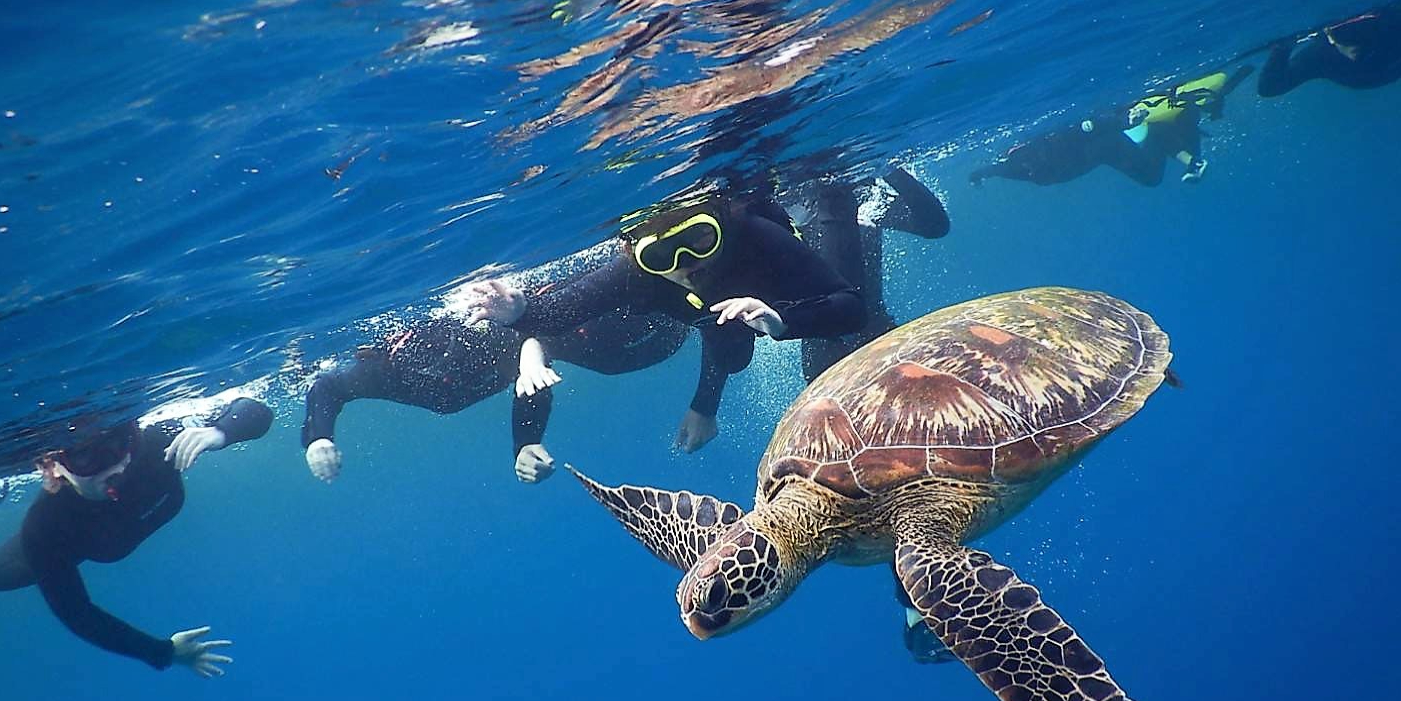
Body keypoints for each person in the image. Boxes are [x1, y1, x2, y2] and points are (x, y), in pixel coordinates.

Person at [469, 191, 866, 453]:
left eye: (697, 240)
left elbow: (850, 309)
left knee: (841, 342)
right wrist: (517, 313)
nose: (684, 264)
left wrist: (781, 321)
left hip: (791, 285)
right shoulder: (635, 274)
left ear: (720, 225)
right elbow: (558, 314)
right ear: (638, 257)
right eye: (660, 255)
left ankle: (857, 207)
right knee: (732, 355)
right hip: (725, 326)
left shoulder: (754, 236)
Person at [0, 397, 273, 674]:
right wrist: (163, 652)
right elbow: (77, 614)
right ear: (52, 467)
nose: (113, 463)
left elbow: (255, 410)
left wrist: (219, 433)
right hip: (38, 556)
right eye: (83, 456)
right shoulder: (46, 528)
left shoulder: (156, 444)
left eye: (118, 442)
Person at [301, 289, 688, 485]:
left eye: (446, 349)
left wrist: (527, 440)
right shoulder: (384, 371)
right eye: (426, 359)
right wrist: (319, 438)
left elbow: (533, 372)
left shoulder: (483, 337)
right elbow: (326, 387)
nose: (442, 363)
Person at [783, 167, 951, 381]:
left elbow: (934, 226)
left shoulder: (864, 200)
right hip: (833, 349)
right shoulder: (790, 216)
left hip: (872, 338)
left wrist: (889, 169)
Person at [970, 69, 1251, 188]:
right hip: (1095, 147)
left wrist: (1122, 122)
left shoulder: (1035, 156)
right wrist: (981, 174)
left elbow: (1082, 130)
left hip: (1096, 145)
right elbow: (1000, 170)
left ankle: (1191, 151)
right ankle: (1191, 153)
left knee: (1144, 163)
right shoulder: (1026, 165)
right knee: (1143, 150)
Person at [1257, 0, 1401, 97]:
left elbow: (1269, 88)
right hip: (1385, 68)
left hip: (1377, 66)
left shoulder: (1323, 56)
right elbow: (1269, 88)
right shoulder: (1323, 56)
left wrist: (1282, 49)